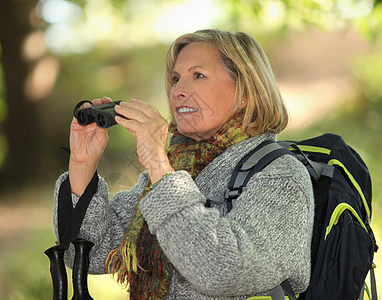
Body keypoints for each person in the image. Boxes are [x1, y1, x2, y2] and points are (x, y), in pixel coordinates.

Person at [53, 29, 315, 299]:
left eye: (198, 75)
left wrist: (158, 163)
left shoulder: (281, 177)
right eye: (176, 78)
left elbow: (223, 272)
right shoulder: (176, 167)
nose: (177, 90)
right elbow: (88, 254)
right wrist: (82, 164)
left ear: (246, 90)